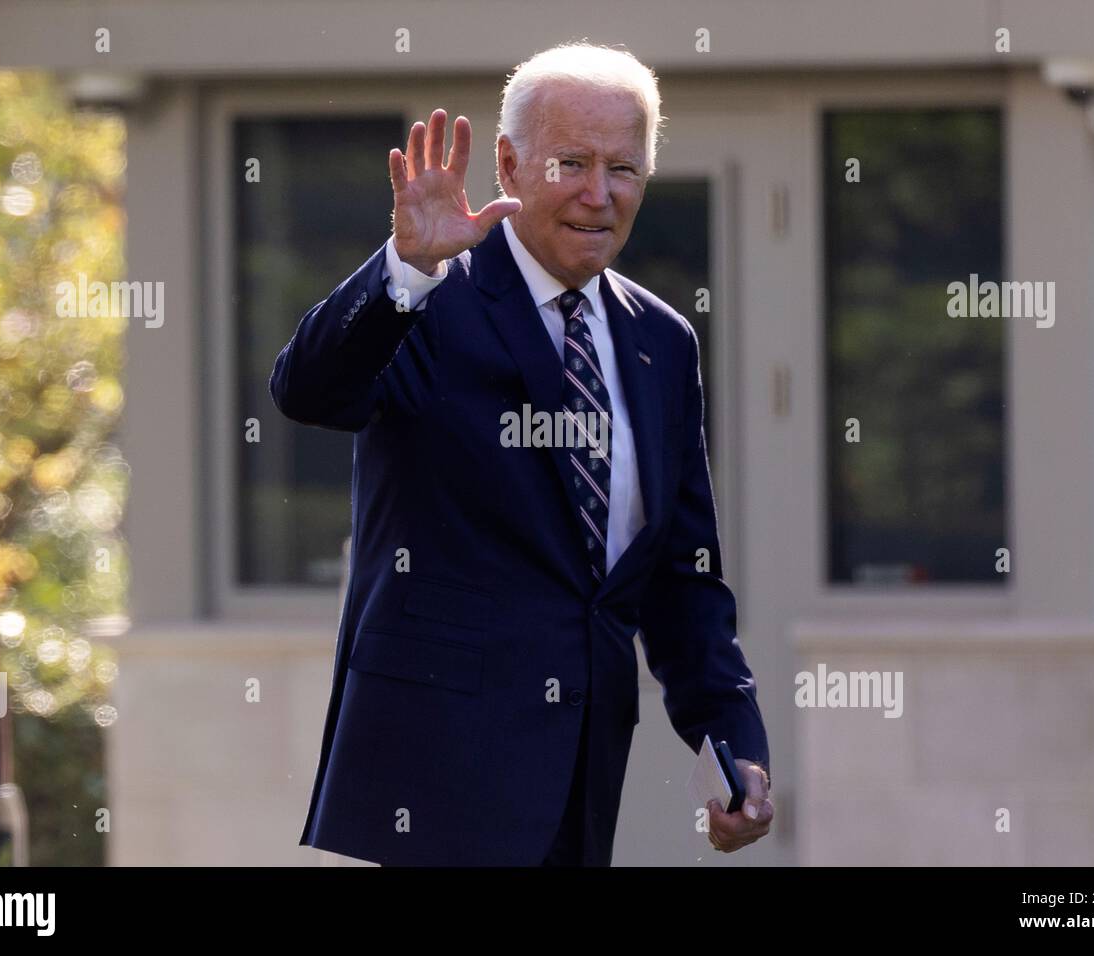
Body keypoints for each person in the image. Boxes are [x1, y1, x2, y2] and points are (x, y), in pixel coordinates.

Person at [269, 42, 773, 866]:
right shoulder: (432, 294)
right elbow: (308, 392)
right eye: (570, 163)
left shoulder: (660, 341)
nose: (597, 194)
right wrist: (405, 270)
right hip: (436, 779)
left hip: (582, 772)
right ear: (508, 163)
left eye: (624, 168)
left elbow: (682, 579)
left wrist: (734, 744)